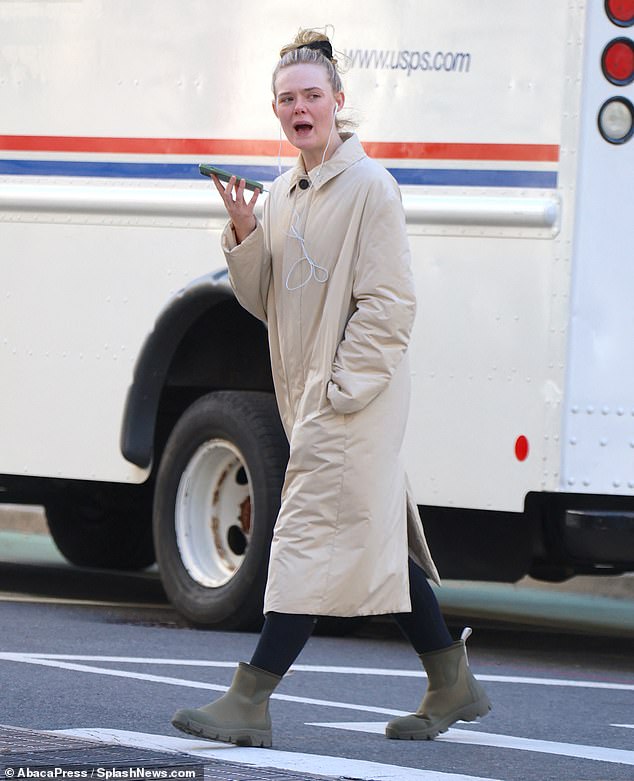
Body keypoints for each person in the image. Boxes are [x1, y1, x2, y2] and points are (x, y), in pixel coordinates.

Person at [171, 28, 491, 748]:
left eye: (312, 94)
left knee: (303, 538)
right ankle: (451, 679)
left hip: (354, 403)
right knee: (371, 540)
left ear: (339, 101)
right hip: (314, 402)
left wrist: (341, 390)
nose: (299, 107)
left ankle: (250, 697)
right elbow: (264, 301)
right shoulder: (283, 194)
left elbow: (390, 305)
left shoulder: (372, 187)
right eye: (286, 99)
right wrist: (246, 232)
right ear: (277, 111)